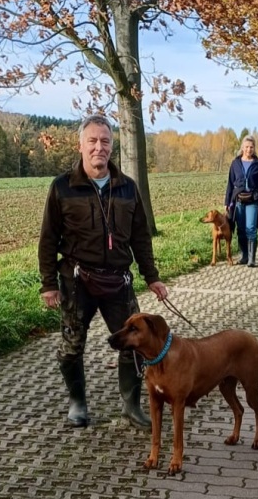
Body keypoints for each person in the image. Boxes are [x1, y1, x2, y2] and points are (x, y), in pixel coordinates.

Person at [38, 114, 169, 428]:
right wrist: (49, 283)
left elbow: (141, 237)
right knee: (72, 347)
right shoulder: (62, 187)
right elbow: (48, 239)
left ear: (112, 146)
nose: (99, 147)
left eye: (105, 141)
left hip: (118, 282)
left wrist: (151, 276)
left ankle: (131, 406)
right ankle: (77, 403)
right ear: (81, 145)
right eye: (93, 141)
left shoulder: (127, 188)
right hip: (76, 281)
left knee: (136, 344)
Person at [225, 135, 258, 267]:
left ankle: (252, 258)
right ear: (242, 148)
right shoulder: (235, 163)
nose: (249, 149)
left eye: (251, 147)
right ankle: (244, 256)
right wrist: (227, 202)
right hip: (238, 200)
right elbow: (230, 183)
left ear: (254, 148)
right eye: (246, 147)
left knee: (250, 228)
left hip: (253, 200)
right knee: (241, 229)